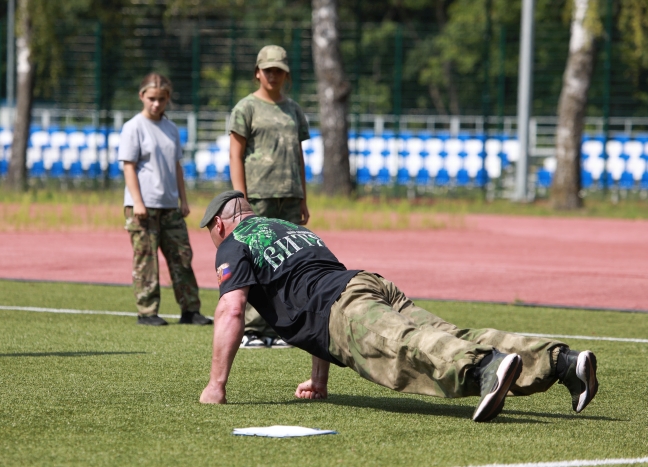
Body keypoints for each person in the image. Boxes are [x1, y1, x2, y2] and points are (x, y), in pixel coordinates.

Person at [197, 191, 600, 422]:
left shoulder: (234, 245)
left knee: (407, 345)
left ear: (219, 224)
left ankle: (485, 368)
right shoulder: (292, 228)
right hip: (368, 284)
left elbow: (232, 311)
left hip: (344, 308)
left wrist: (216, 386)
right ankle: (563, 361)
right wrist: (319, 381)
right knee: (450, 334)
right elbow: (310, 288)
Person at [228, 45, 311, 349]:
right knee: (257, 260)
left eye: (279, 70)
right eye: (268, 70)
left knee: (288, 262)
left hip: (289, 196)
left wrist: (302, 197)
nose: (273, 75)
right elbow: (235, 155)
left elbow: (299, 157)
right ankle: (252, 328)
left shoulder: (293, 109)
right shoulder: (246, 108)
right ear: (257, 73)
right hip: (258, 196)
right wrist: (241, 199)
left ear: (286, 74)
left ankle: (281, 328)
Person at [119, 73, 211, 326]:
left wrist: (183, 199)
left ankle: (190, 310)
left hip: (170, 205)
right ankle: (147, 311)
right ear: (142, 97)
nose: (156, 104)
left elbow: (177, 166)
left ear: (168, 99)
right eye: (151, 99)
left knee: (182, 256)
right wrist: (137, 202)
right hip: (143, 206)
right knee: (146, 260)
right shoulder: (133, 127)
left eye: (161, 99)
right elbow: (129, 167)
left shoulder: (171, 129)